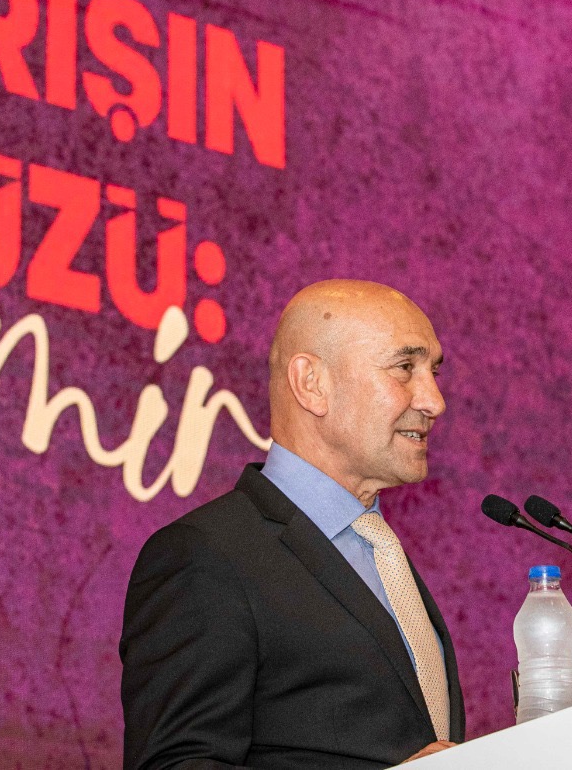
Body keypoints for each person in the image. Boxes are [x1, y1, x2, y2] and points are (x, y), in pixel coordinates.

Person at [121, 280, 464, 769]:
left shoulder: (379, 551)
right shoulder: (205, 556)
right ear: (311, 384)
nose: (434, 400)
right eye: (405, 368)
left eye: (434, 372)